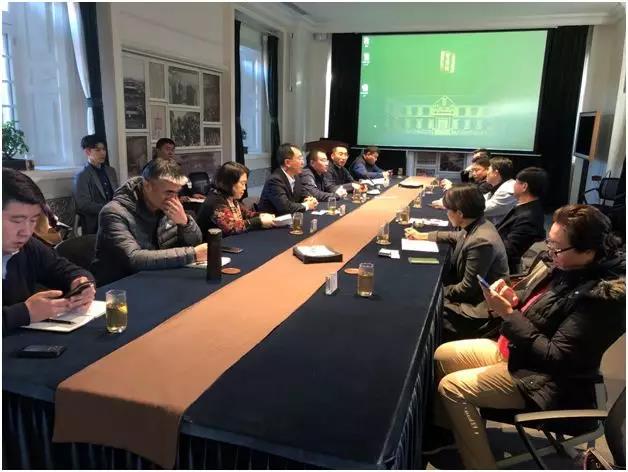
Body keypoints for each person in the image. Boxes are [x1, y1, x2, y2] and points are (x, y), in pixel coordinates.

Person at [427, 204, 625, 469]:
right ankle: (452, 436)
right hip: (520, 354)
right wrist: (515, 299)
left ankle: (480, 465)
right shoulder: (568, 266)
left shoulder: (602, 299)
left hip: (547, 381)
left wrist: (509, 314)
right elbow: (542, 308)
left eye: (557, 247)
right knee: (443, 355)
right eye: (549, 242)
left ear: (588, 252)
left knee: (453, 388)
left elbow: (556, 357)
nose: (549, 251)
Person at [3, 168, 96, 334]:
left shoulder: (28, 246)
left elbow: (64, 269)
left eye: (33, 221)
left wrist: (82, 284)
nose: (26, 231)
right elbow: (23, 314)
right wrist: (25, 313)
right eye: (17, 221)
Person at [91, 159, 206, 285]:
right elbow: (133, 259)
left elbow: (195, 242)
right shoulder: (114, 212)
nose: (174, 199)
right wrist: (192, 254)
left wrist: (185, 223)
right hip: (119, 286)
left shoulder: (166, 206)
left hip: (157, 279)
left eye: (176, 192)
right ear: (147, 186)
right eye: (169, 192)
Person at [405, 184, 509, 310]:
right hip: (470, 294)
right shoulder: (480, 223)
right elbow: (454, 236)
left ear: (459, 213)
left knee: (413, 301)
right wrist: (422, 236)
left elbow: (467, 290)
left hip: (478, 306)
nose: (447, 213)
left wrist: (434, 291)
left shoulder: (481, 242)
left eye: (448, 210)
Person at [196, 162, 275, 236]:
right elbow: (231, 227)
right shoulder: (215, 202)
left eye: (245, 184)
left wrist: (263, 215)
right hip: (212, 245)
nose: (244, 188)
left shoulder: (230, 198)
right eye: (242, 183)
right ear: (229, 183)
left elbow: (246, 214)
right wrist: (259, 221)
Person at [496, 167, 548, 273]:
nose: (513, 186)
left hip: (504, 269)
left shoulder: (529, 217)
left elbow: (509, 251)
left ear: (524, 186)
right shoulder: (527, 207)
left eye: (516, 182)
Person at [72, 135, 119, 234]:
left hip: (115, 218)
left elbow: (117, 194)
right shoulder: (82, 176)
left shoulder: (111, 171)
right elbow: (83, 205)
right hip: (95, 222)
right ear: (87, 152)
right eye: (97, 150)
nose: (103, 153)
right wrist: (109, 208)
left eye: (104, 149)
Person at [257, 143, 318, 215]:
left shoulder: (296, 177)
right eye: (299, 158)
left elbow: (303, 194)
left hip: (290, 218)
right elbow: (285, 208)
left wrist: (309, 199)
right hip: (274, 220)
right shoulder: (275, 180)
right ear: (287, 162)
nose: (303, 162)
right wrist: (307, 205)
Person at [483, 156, 517, 224]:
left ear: (496, 173)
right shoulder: (500, 186)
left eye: (488, 169)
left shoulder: (507, 191)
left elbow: (482, 210)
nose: (486, 173)